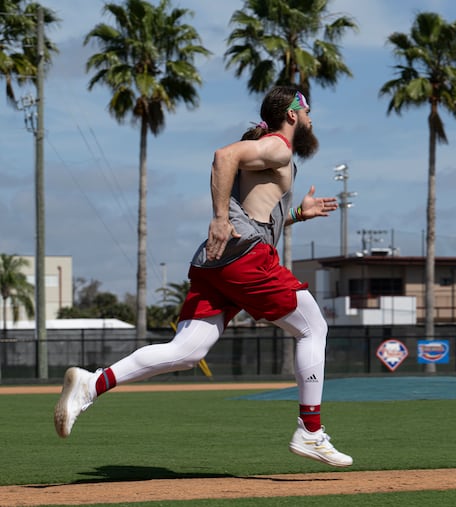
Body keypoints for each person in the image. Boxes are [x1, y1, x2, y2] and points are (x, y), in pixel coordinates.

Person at [53, 85, 353, 468]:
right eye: (307, 109)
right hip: (244, 257)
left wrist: (296, 215)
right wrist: (219, 219)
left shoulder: (275, 154)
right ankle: (311, 432)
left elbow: (256, 213)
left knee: (186, 351)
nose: (312, 117)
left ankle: (91, 384)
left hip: (217, 261)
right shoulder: (279, 145)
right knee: (313, 327)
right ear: (292, 114)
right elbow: (223, 156)